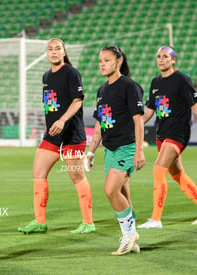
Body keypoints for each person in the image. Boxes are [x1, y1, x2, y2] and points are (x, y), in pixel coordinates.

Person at [18, 38, 95, 235]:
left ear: (64, 52)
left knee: (76, 175)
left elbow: (77, 101)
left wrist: (62, 120)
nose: (54, 52)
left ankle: (88, 222)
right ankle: (40, 222)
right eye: (50, 49)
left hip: (72, 134)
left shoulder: (71, 73)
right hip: (52, 135)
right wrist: (55, 124)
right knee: (38, 172)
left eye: (57, 48)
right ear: (46, 53)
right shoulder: (46, 76)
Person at [86, 45, 145, 255]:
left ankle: (129, 236)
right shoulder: (101, 90)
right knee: (121, 192)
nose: (102, 64)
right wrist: (91, 150)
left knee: (110, 190)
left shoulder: (129, 86)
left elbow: (138, 121)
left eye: (107, 60)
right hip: (109, 149)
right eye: (100, 61)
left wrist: (139, 151)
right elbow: (100, 123)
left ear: (118, 62)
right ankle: (132, 239)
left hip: (126, 147)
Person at [137, 45, 197, 229]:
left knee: (158, 170)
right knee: (178, 175)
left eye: (165, 56)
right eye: (158, 56)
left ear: (173, 60)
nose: (161, 59)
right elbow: (149, 112)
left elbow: (195, 107)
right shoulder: (155, 82)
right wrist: (135, 123)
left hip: (177, 133)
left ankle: (156, 219)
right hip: (162, 134)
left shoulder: (182, 80)